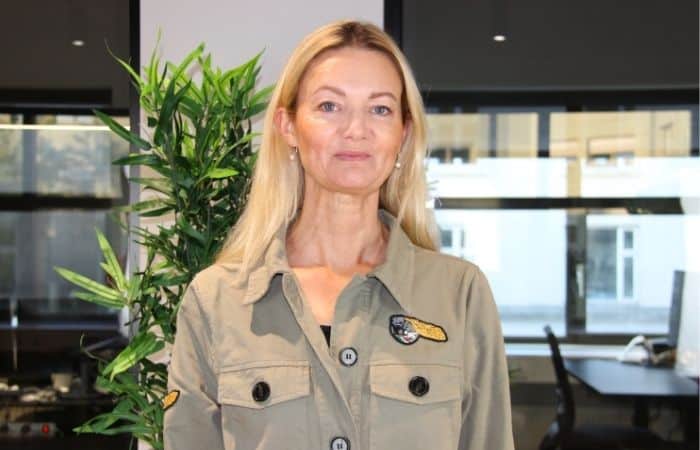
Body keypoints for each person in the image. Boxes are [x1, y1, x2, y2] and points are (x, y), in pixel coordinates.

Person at [164, 19, 514, 450]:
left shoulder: (459, 294)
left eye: (380, 109)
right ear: (288, 125)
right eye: (330, 106)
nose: (356, 130)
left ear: (403, 133)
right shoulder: (216, 301)